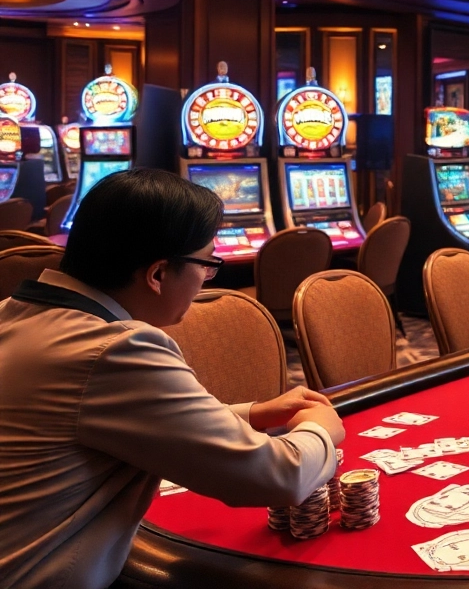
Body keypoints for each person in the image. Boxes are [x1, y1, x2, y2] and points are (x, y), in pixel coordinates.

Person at [0, 169, 345, 589]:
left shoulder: (13, 313)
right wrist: (320, 431)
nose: (206, 279)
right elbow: (279, 476)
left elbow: (108, 416)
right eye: (208, 263)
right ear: (158, 274)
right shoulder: (114, 349)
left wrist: (251, 414)